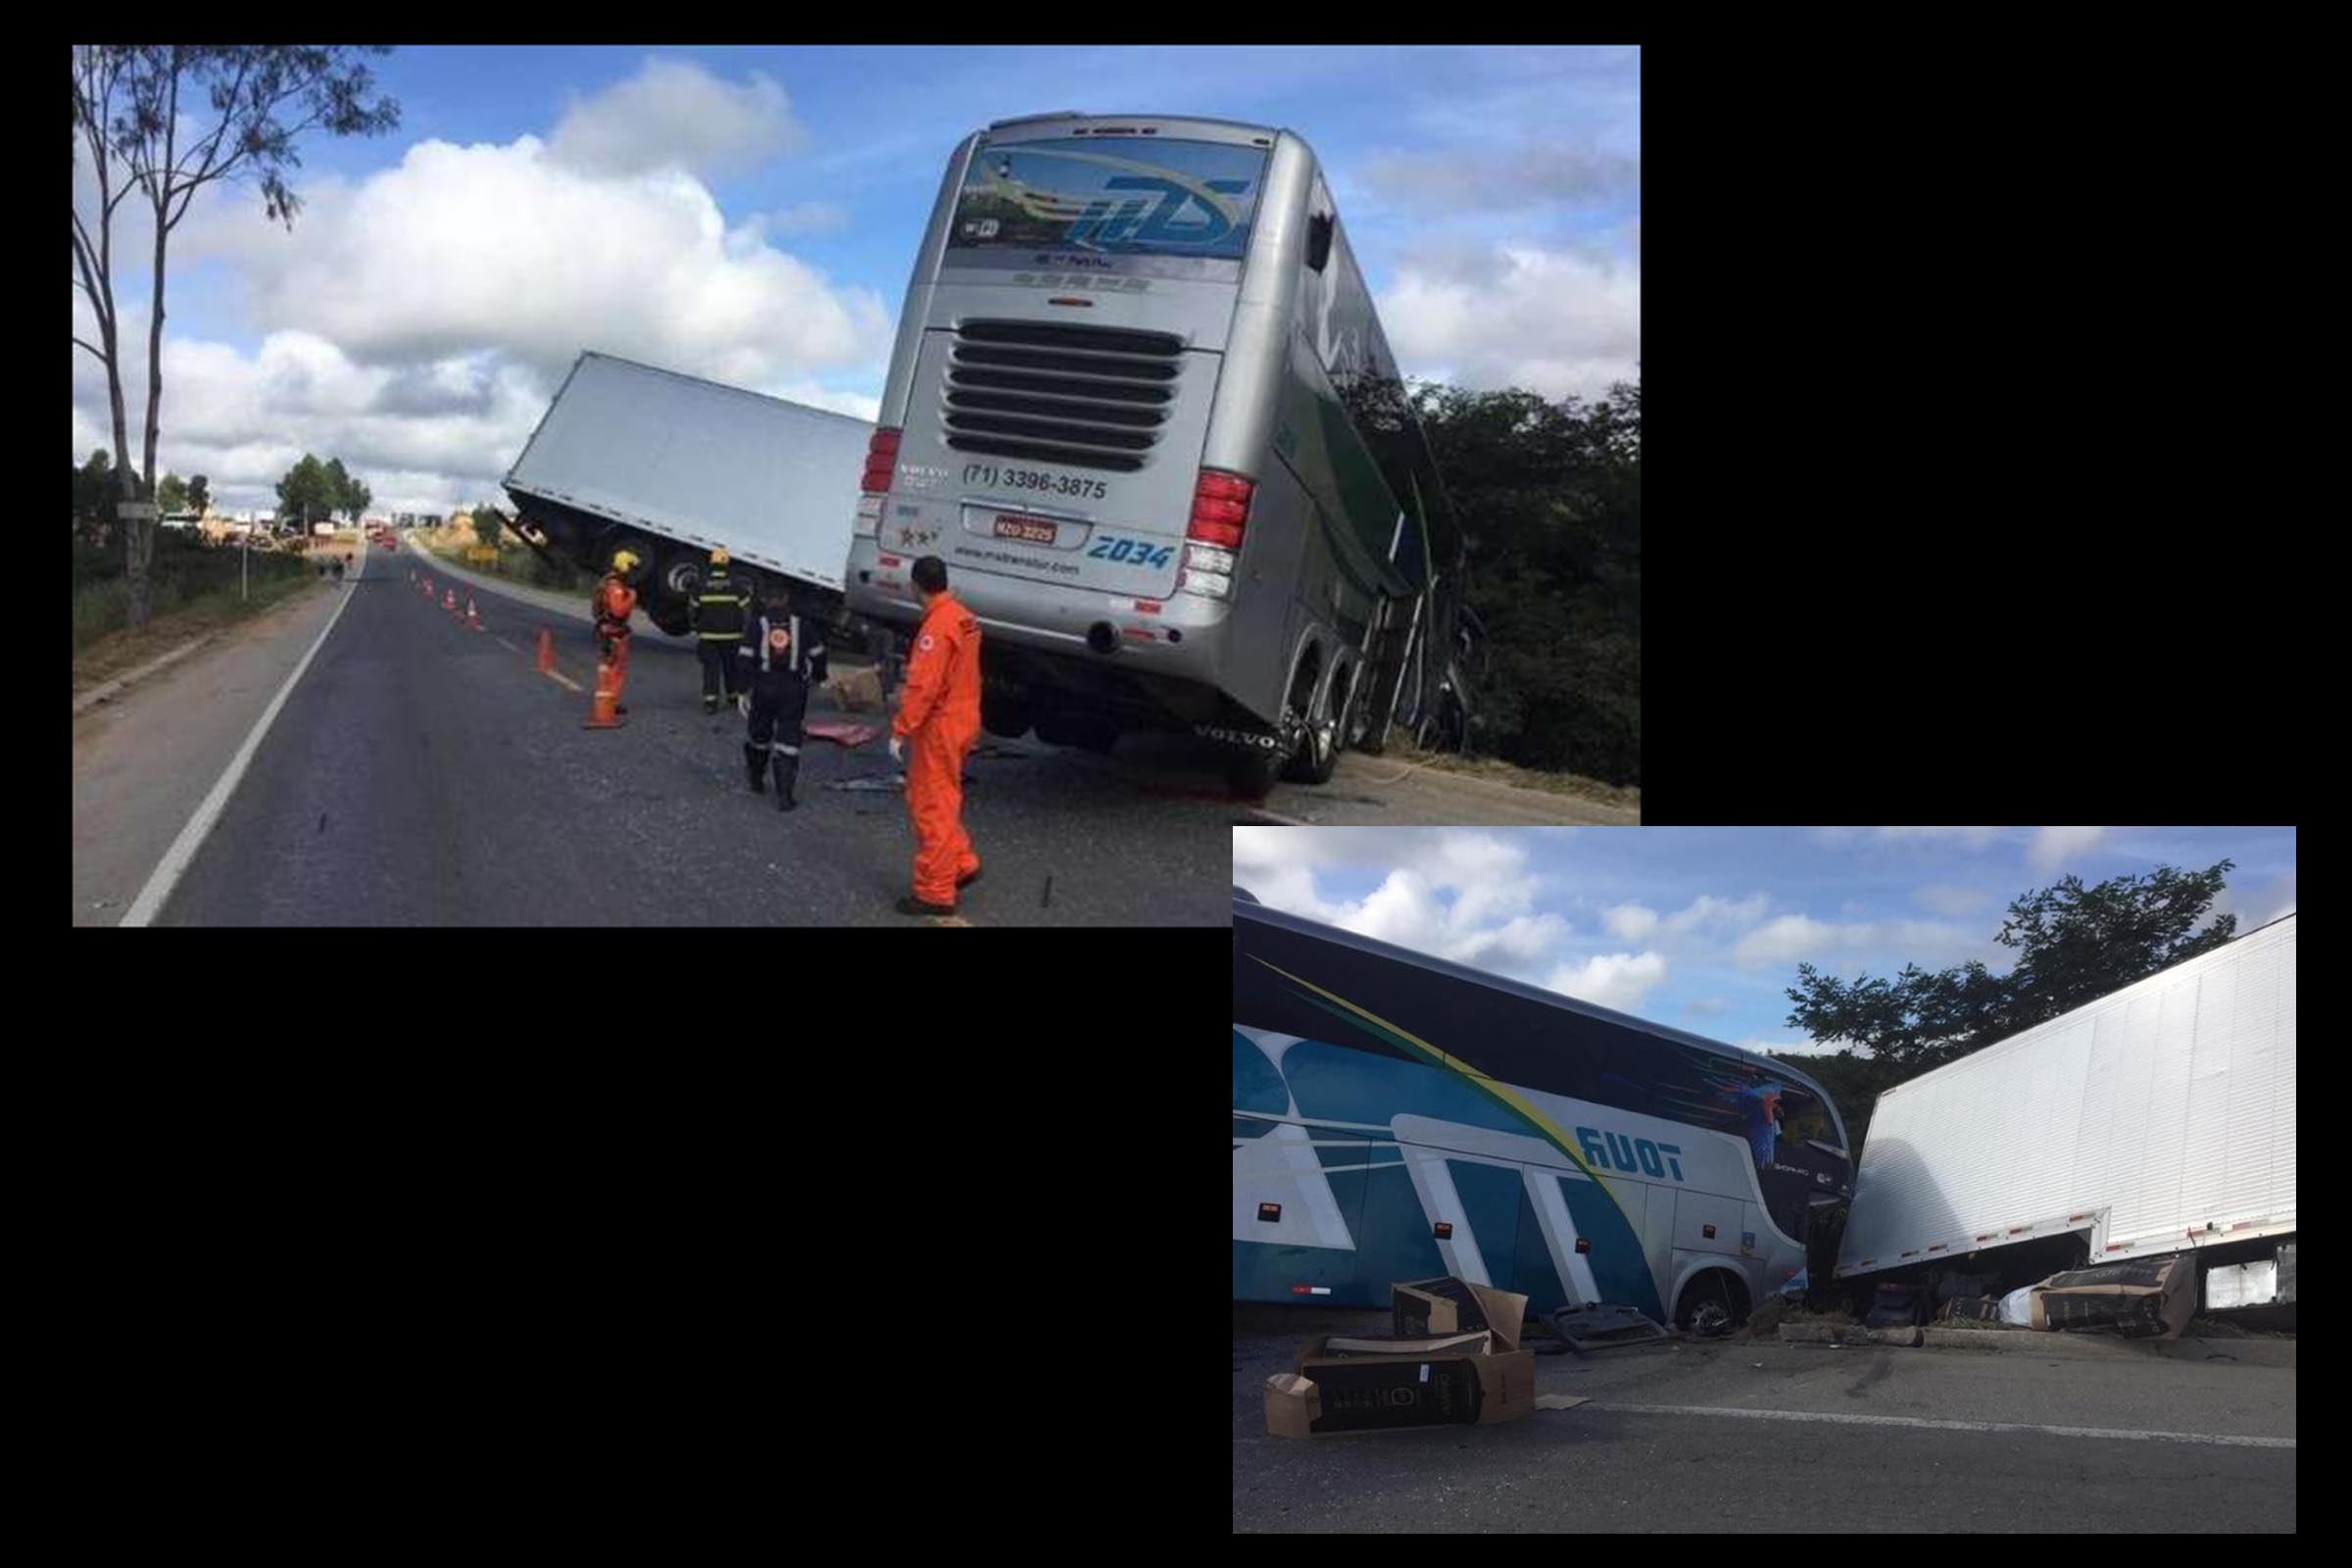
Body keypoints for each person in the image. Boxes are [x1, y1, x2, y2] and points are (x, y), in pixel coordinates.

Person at [889, 556, 982, 915]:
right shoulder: (963, 617)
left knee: (932, 804)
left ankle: (934, 891)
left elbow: (923, 686)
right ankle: (959, 862)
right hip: (963, 718)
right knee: (944, 795)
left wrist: (901, 730)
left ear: (916, 586)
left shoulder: (935, 629)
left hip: (940, 726)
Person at [736, 588, 827, 809]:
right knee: (789, 737)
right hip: (793, 687)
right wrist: (819, 677)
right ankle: (785, 795)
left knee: (759, 734)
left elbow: (745, 659)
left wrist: (741, 689)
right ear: (787, 599)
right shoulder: (802, 625)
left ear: (766, 600)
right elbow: (818, 654)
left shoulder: (757, 625)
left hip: (764, 686)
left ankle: (756, 780)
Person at [690, 547, 751, 713]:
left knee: (711, 668)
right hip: (732, 636)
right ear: (727, 563)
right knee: (731, 667)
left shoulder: (700, 585)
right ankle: (733, 696)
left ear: (711, 563)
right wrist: (745, 630)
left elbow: (692, 610)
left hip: (708, 636)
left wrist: (695, 625)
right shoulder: (737, 585)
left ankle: (711, 702)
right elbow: (747, 611)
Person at [593, 550, 640, 714]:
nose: (634, 573)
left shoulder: (608, 582)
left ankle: (606, 701)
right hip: (614, 632)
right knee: (616, 669)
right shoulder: (616, 587)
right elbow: (618, 611)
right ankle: (610, 703)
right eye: (632, 568)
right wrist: (632, 598)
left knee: (608, 667)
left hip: (607, 630)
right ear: (625, 566)